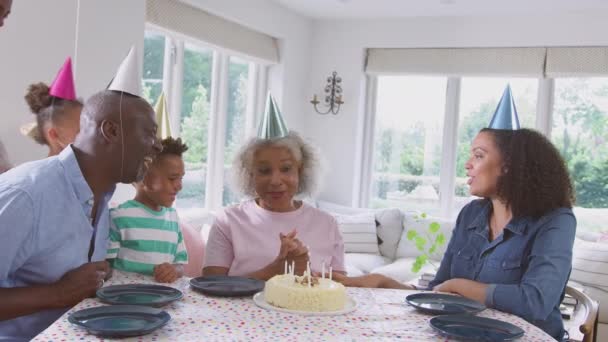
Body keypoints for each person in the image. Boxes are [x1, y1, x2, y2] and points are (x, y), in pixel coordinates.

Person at [333, 87, 576, 341]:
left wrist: (461, 286)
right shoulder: (471, 214)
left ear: (509, 166)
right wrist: (380, 281)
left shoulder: (556, 221)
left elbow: (536, 301)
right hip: (465, 333)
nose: (467, 164)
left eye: (479, 155)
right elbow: (440, 290)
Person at [0, 46, 163, 340]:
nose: (157, 145)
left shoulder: (101, 196)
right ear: (111, 132)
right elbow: (63, 291)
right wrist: (57, 293)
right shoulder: (26, 195)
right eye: (150, 133)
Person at [203, 95, 345, 280]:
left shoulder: (327, 225)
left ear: (300, 171)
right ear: (250, 174)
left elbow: (339, 288)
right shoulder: (228, 221)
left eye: (286, 169)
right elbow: (211, 284)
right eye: (264, 171)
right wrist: (275, 270)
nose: (275, 180)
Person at [107, 137, 189, 283]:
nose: (179, 186)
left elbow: (180, 264)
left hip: (163, 298)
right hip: (128, 299)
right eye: (172, 178)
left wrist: (174, 271)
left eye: (181, 178)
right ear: (144, 177)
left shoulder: (173, 217)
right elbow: (105, 266)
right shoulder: (119, 217)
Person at [22, 58, 82, 156]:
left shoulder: (87, 167)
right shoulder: (42, 171)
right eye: (79, 131)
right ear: (54, 135)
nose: (91, 135)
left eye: (88, 128)